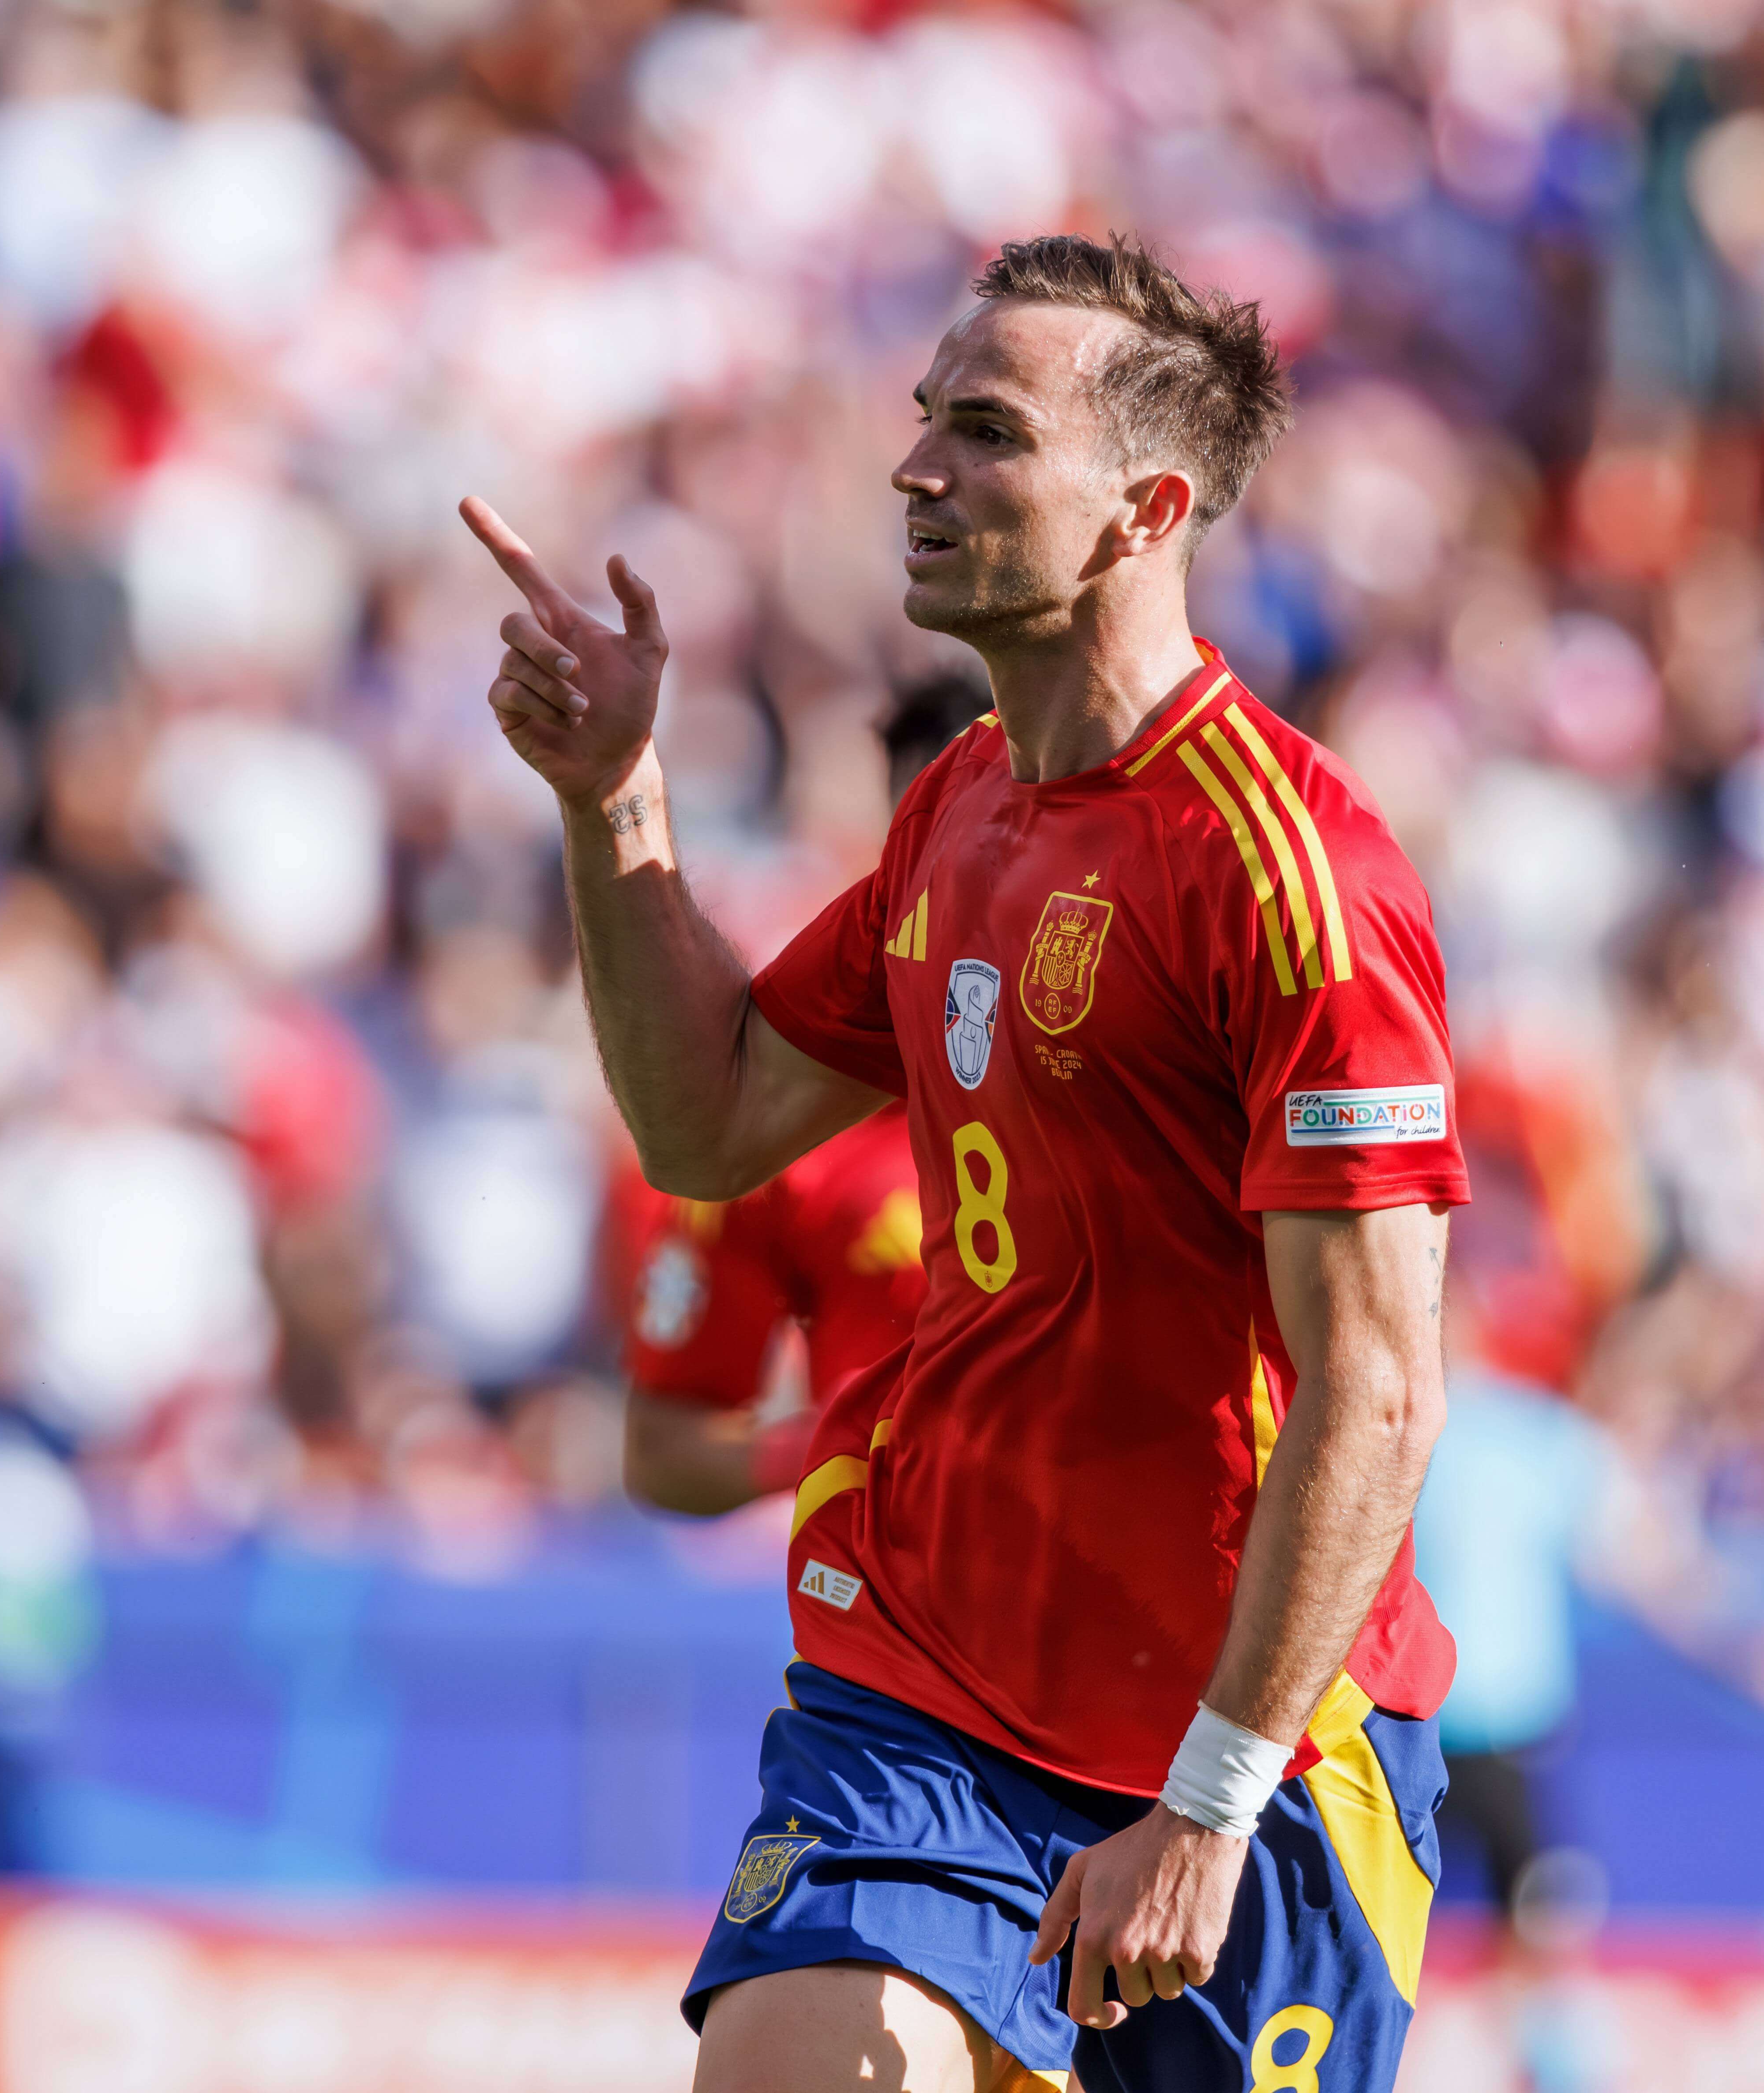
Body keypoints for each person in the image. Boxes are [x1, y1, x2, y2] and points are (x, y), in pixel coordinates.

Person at [463, 233, 1470, 2093]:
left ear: (1139, 509)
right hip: (921, 1679)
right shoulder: (963, 806)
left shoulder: (1288, 872)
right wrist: (614, 796)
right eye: (924, 418)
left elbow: (1380, 1382)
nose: (914, 467)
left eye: (984, 432)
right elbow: (711, 1116)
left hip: (1245, 1729)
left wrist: (1209, 1795)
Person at [615, 674, 987, 1515]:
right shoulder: (785, 1118)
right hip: (889, 1613)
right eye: (930, 843)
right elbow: (663, 1448)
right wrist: (846, 1440)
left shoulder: (1160, 1070)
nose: (970, 883)